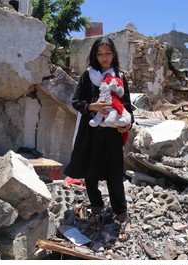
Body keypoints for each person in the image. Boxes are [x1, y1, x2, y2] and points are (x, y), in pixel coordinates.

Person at [64, 37, 134, 241]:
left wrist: (126, 125)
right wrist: (93, 107)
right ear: (95, 56)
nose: (104, 58)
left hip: (112, 136)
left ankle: (122, 215)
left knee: (114, 176)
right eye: (100, 54)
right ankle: (96, 211)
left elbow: (128, 108)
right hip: (91, 134)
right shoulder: (88, 76)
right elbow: (76, 102)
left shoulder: (120, 77)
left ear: (114, 54)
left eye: (108, 53)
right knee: (91, 175)